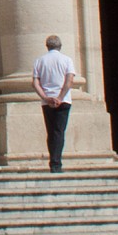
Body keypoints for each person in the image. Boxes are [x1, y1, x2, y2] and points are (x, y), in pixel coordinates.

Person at [32, 35, 77, 172]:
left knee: (51, 132)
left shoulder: (39, 61)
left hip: (47, 102)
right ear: (60, 46)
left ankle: (54, 161)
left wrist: (46, 98)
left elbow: (35, 83)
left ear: (47, 46)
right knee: (59, 132)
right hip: (63, 101)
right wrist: (60, 97)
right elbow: (69, 81)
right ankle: (56, 164)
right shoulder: (67, 60)